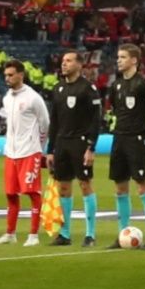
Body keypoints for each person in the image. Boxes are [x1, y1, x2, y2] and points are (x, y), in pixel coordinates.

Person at [106, 45, 145, 249]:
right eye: (118, 56)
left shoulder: (143, 85)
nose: (119, 60)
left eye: (123, 57)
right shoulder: (117, 85)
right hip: (119, 139)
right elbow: (113, 109)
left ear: (134, 61)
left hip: (137, 139)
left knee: (142, 186)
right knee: (120, 187)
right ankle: (123, 235)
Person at [47, 50, 104, 247]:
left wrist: (91, 147)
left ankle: (90, 234)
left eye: (69, 61)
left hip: (80, 143)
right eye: (63, 61)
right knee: (63, 187)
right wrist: (50, 149)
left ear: (79, 65)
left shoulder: (88, 89)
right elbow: (53, 121)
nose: (64, 64)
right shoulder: (58, 88)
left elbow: (96, 120)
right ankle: (64, 233)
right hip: (62, 143)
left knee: (85, 184)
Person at [0, 61, 53, 245]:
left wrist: (39, 146)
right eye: (6, 75)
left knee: (32, 192)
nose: (7, 78)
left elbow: (45, 123)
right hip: (11, 152)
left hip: (29, 152)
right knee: (11, 194)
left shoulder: (33, 98)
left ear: (21, 75)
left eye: (11, 75)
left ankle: (33, 235)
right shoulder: (7, 97)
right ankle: (10, 233)